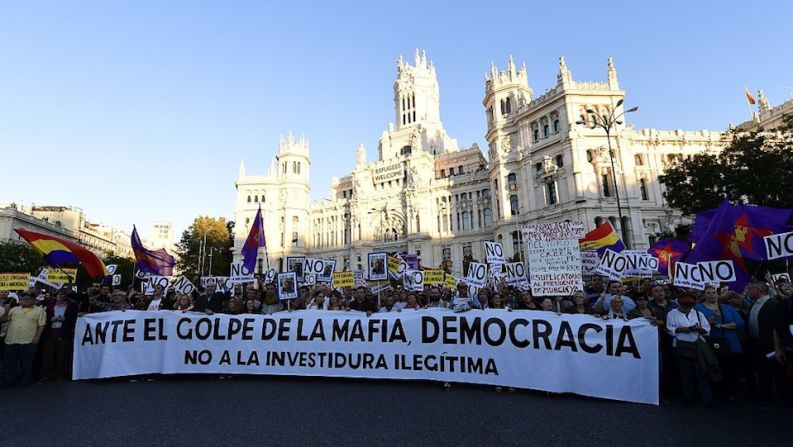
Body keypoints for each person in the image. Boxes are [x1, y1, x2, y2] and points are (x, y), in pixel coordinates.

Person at [695, 285, 744, 399]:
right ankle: (715, 390)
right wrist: (708, 321)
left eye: (713, 292)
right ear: (704, 295)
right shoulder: (698, 308)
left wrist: (725, 326)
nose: (711, 295)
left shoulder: (727, 308)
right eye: (708, 293)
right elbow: (695, 324)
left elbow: (740, 322)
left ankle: (730, 390)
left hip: (731, 341)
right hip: (711, 341)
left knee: (730, 366)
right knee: (714, 365)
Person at [666, 293, 714, 407]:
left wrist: (699, 329)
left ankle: (707, 399)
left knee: (701, 373)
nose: (687, 308)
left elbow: (707, 330)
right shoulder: (672, 314)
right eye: (684, 305)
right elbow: (669, 329)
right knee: (685, 373)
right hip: (680, 346)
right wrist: (680, 329)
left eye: (689, 306)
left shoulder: (698, 314)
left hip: (697, 346)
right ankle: (688, 398)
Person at [1, 293, 46, 387]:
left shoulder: (40, 311)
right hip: (11, 340)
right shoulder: (13, 309)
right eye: (24, 299)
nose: (26, 300)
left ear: (34, 301)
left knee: (26, 362)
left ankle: (25, 380)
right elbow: (3, 320)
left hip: (28, 341)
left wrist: (37, 337)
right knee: (10, 362)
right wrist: (6, 311)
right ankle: (10, 380)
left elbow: (41, 325)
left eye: (29, 299)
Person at [745, 281, 777, 403]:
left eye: (751, 288)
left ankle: (769, 398)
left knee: (768, 371)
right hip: (756, 343)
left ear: (758, 290)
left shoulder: (772, 304)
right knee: (761, 370)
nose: (748, 291)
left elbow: (775, 326)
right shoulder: (754, 303)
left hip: (768, 345)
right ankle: (763, 394)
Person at [40, 290, 77, 381]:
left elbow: (74, 319)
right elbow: (43, 318)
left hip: (63, 332)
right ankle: (47, 374)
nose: (61, 296)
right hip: (50, 331)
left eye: (63, 294)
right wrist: (51, 319)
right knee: (48, 354)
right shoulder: (50, 307)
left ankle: (60, 374)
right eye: (59, 294)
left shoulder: (71, 307)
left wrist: (66, 319)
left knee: (62, 353)